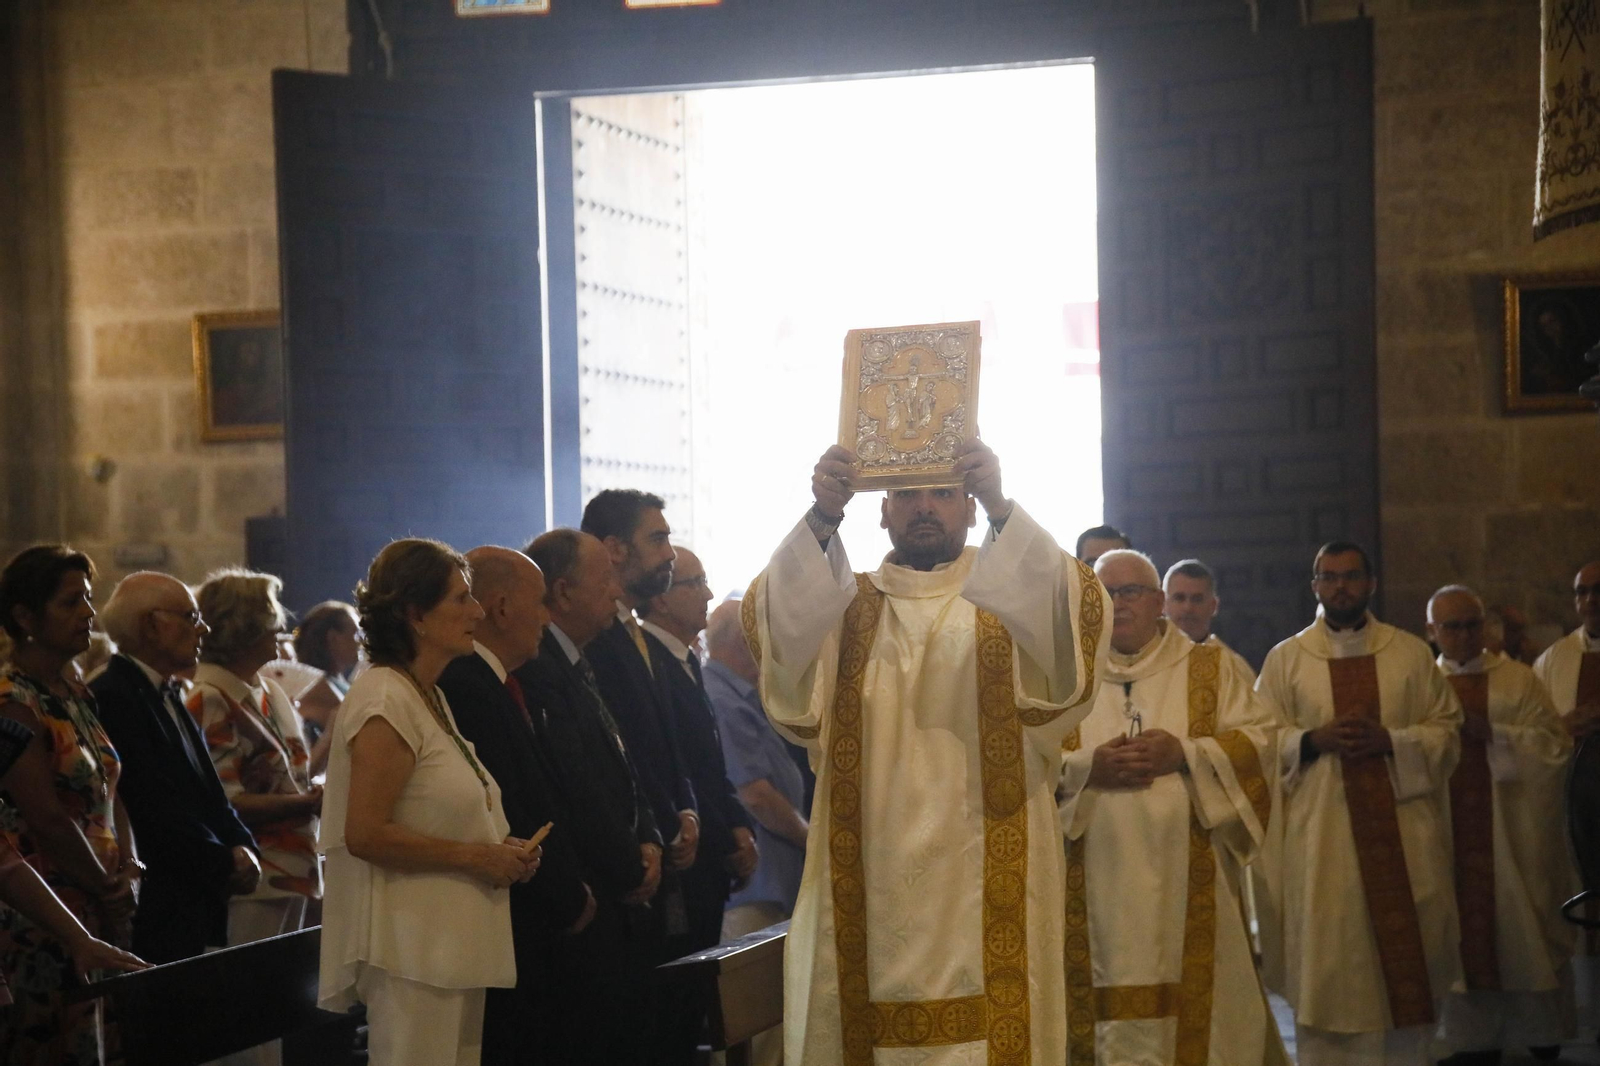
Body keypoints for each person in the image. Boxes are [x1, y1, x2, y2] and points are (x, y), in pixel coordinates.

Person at [742, 440, 1109, 1066]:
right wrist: (822, 515)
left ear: (968, 509)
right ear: (880, 510)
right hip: (869, 874)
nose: (924, 509)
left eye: (942, 492)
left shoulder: (1007, 604)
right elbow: (779, 628)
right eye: (907, 495)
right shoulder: (844, 608)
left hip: (994, 864)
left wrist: (1001, 502)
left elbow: (1068, 616)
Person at [1056, 549, 1283, 1065]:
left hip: (1191, 875)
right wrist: (1090, 767)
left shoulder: (1211, 668)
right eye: (1105, 594)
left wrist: (1185, 753)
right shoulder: (1064, 675)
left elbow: (1261, 743)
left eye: (1130, 592)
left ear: (1159, 601)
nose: (1118, 604)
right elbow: (1025, 764)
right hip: (1092, 877)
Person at [318, 538, 539, 1066]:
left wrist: (499, 847)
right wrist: (479, 857)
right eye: (461, 599)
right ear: (415, 613)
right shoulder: (384, 696)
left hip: (451, 946)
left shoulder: (428, 693)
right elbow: (365, 833)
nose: (478, 611)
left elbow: (436, 810)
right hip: (412, 951)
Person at [1255, 541, 1462, 1066]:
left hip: (1403, 836)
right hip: (1321, 843)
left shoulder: (1410, 653)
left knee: (1404, 966)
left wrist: (1392, 741)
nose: (1340, 586)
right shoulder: (1287, 659)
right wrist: (1310, 740)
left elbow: (1447, 729)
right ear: (1315, 587)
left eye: (1350, 576)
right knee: (1331, 964)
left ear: (1370, 584)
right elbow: (1257, 740)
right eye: (1328, 577)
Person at [437, 546, 596, 1066]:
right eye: (541, 602)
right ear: (503, 608)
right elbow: (510, 807)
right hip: (516, 922)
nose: (548, 617)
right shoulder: (467, 686)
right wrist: (564, 897)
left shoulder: (499, 683)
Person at [516, 529, 663, 1066]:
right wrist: (629, 868)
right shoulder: (540, 668)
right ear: (563, 591)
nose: (617, 593)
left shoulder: (582, 658)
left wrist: (648, 836)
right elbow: (576, 787)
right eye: (605, 581)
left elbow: (622, 762)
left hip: (619, 888)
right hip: (592, 899)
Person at [0, 546, 139, 1066]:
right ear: (24, 617)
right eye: (69, 603)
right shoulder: (13, 699)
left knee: (101, 1041)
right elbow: (47, 818)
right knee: (59, 1044)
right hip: (46, 908)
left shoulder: (74, 688)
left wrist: (129, 866)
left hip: (99, 896)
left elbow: (109, 785)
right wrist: (106, 888)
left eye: (87, 598)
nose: (86, 613)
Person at [1427, 586, 1575, 1063]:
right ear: (1432, 632)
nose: (1465, 635)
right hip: (1449, 834)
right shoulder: (1421, 686)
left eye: (1473, 624)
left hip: (1512, 832)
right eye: (1452, 626)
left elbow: (1553, 747)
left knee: (1521, 927)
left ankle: (1538, 1029)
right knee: (1457, 934)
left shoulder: (1518, 679)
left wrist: (1494, 733)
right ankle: (1469, 1040)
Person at [190, 568, 324, 1065]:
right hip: (253, 874)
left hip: (287, 871)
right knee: (244, 1019)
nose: (282, 627)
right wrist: (307, 802)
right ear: (241, 626)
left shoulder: (266, 692)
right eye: (270, 617)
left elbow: (286, 773)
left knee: (273, 1010)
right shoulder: (209, 697)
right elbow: (223, 798)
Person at [93, 571, 261, 965]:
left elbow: (209, 792)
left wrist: (243, 845)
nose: (202, 629)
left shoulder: (164, 689)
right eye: (190, 616)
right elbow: (150, 805)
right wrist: (224, 861)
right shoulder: (114, 696)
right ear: (152, 625)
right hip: (160, 897)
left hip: (190, 895)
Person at [580, 492, 699, 950]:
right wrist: (664, 826)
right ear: (615, 548)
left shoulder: (635, 633)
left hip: (668, 847)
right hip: (629, 862)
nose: (669, 552)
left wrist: (686, 810)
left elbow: (669, 743)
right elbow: (621, 747)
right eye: (657, 538)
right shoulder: (595, 638)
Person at [638, 548, 758, 953]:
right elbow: (678, 766)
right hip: (685, 859)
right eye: (695, 583)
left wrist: (739, 826)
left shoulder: (685, 660)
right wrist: (728, 839)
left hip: (710, 859)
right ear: (661, 598)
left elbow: (712, 761)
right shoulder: (648, 664)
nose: (708, 594)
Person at [704, 598, 805, 1066]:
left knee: (772, 1024)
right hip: (753, 890)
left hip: (775, 885)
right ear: (748, 640)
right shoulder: (722, 697)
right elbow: (755, 794)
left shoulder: (748, 696)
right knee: (753, 1028)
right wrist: (813, 840)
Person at [292, 600, 362, 771]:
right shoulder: (318, 687)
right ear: (333, 638)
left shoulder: (337, 681)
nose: (360, 643)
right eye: (355, 635)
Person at [1534, 560, 1600, 734]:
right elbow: (1533, 725)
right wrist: (1563, 726)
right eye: (1582, 592)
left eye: (1598, 590)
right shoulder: (1551, 659)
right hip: (1573, 759)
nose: (1590, 599)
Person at [1163, 558, 1255, 683]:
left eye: (1197, 599)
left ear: (1213, 606)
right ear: (1163, 604)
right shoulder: (1145, 660)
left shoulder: (1233, 669)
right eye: (1179, 598)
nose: (1188, 607)